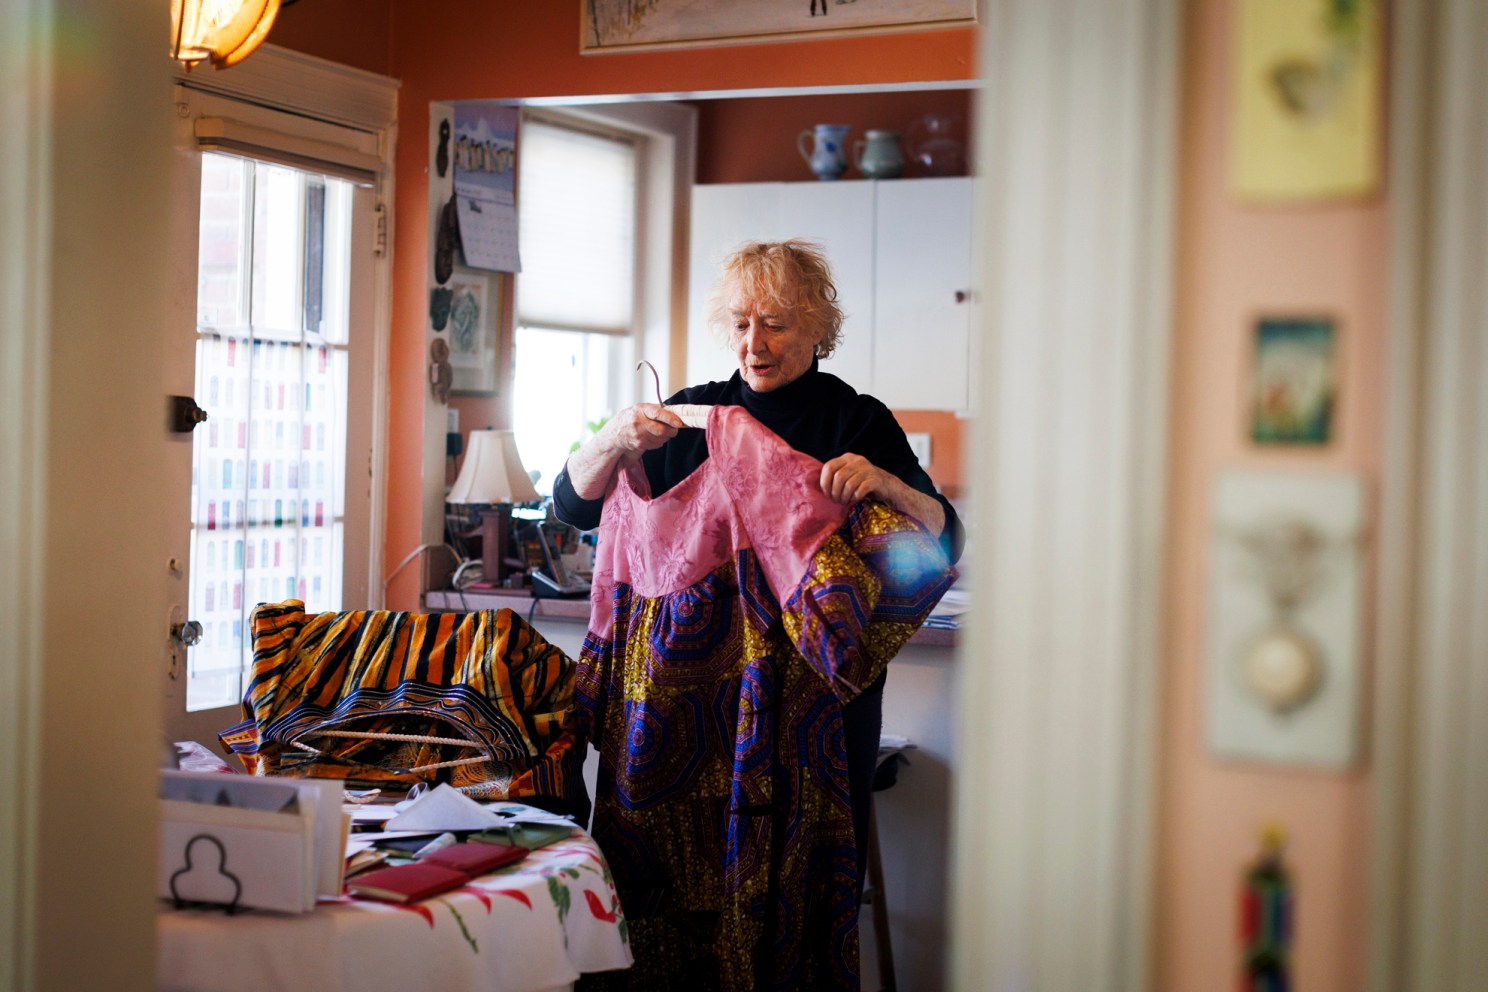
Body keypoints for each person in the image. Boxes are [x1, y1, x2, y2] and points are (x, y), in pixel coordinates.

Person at [554, 240, 962, 988]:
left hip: (815, 714)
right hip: (689, 709)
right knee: (672, 894)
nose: (755, 343)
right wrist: (614, 439)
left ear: (816, 329)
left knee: (797, 901)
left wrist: (884, 484)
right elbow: (572, 505)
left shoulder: (854, 422)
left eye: (775, 323)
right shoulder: (690, 416)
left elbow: (944, 539)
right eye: (742, 324)